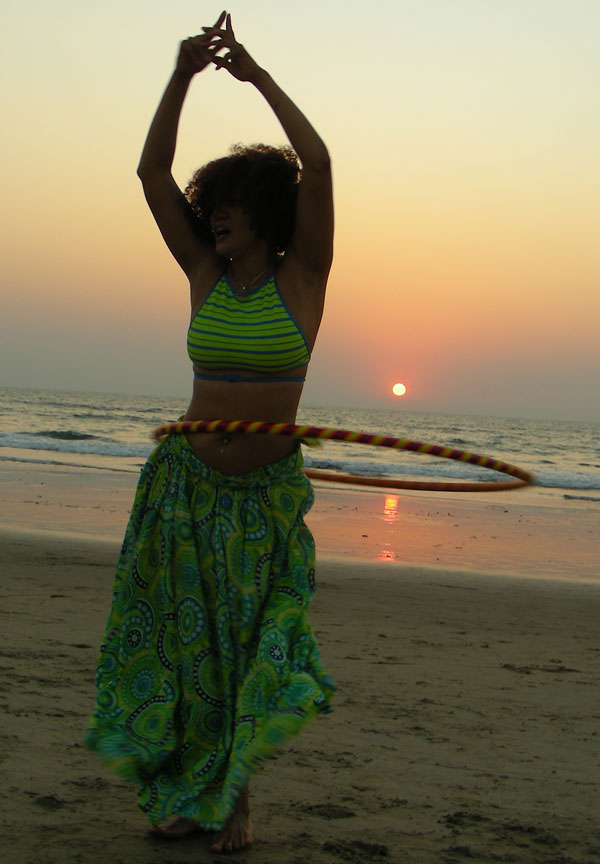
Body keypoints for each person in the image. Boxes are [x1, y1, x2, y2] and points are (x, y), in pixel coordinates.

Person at [85, 11, 335, 854]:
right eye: (212, 207)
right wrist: (182, 73)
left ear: (266, 213)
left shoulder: (303, 277)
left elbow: (322, 162)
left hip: (260, 494)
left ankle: (237, 798)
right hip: (185, 485)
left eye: (231, 206)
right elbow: (150, 170)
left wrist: (257, 78)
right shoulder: (204, 273)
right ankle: (190, 795)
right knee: (184, 646)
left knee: (240, 642)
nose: (215, 217)